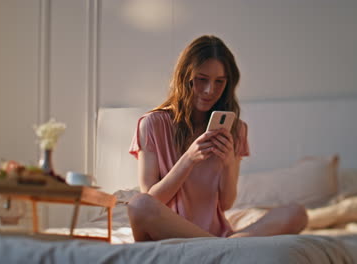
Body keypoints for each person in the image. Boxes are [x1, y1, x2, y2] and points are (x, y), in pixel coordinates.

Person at [127, 35, 308, 241]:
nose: (209, 90)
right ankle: (221, 247)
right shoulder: (151, 124)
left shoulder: (235, 130)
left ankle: (220, 245)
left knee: (296, 213)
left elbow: (226, 204)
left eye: (219, 82)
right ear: (185, 77)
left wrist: (229, 162)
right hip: (167, 235)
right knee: (139, 204)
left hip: (217, 233)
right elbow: (153, 198)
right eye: (201, 79)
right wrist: (188, 159)